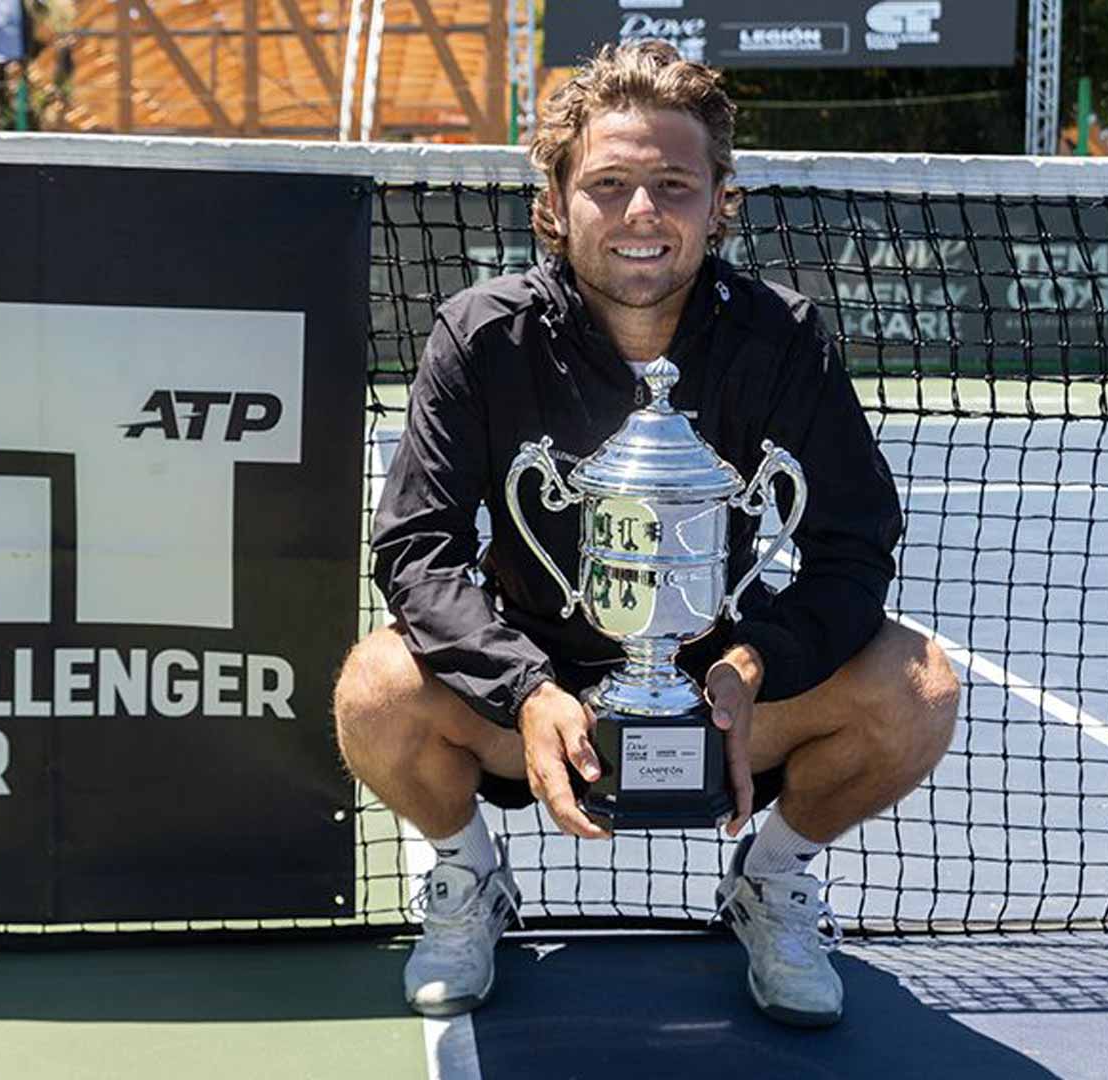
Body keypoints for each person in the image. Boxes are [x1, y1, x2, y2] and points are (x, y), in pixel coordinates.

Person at [332, 42, 960, 1028]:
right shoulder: (479, 335)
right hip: (529, 691)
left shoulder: (784, 339)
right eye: (610, 183)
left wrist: (755, 664)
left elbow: (852, 545)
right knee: (375, 689)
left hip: (725, 700)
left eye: (673, 184)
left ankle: (772, 878)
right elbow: (419, 547)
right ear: (554, 202)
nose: (640, 213)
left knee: (919, 686)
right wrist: (524, 687)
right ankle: (468, 880)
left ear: (720, 204)